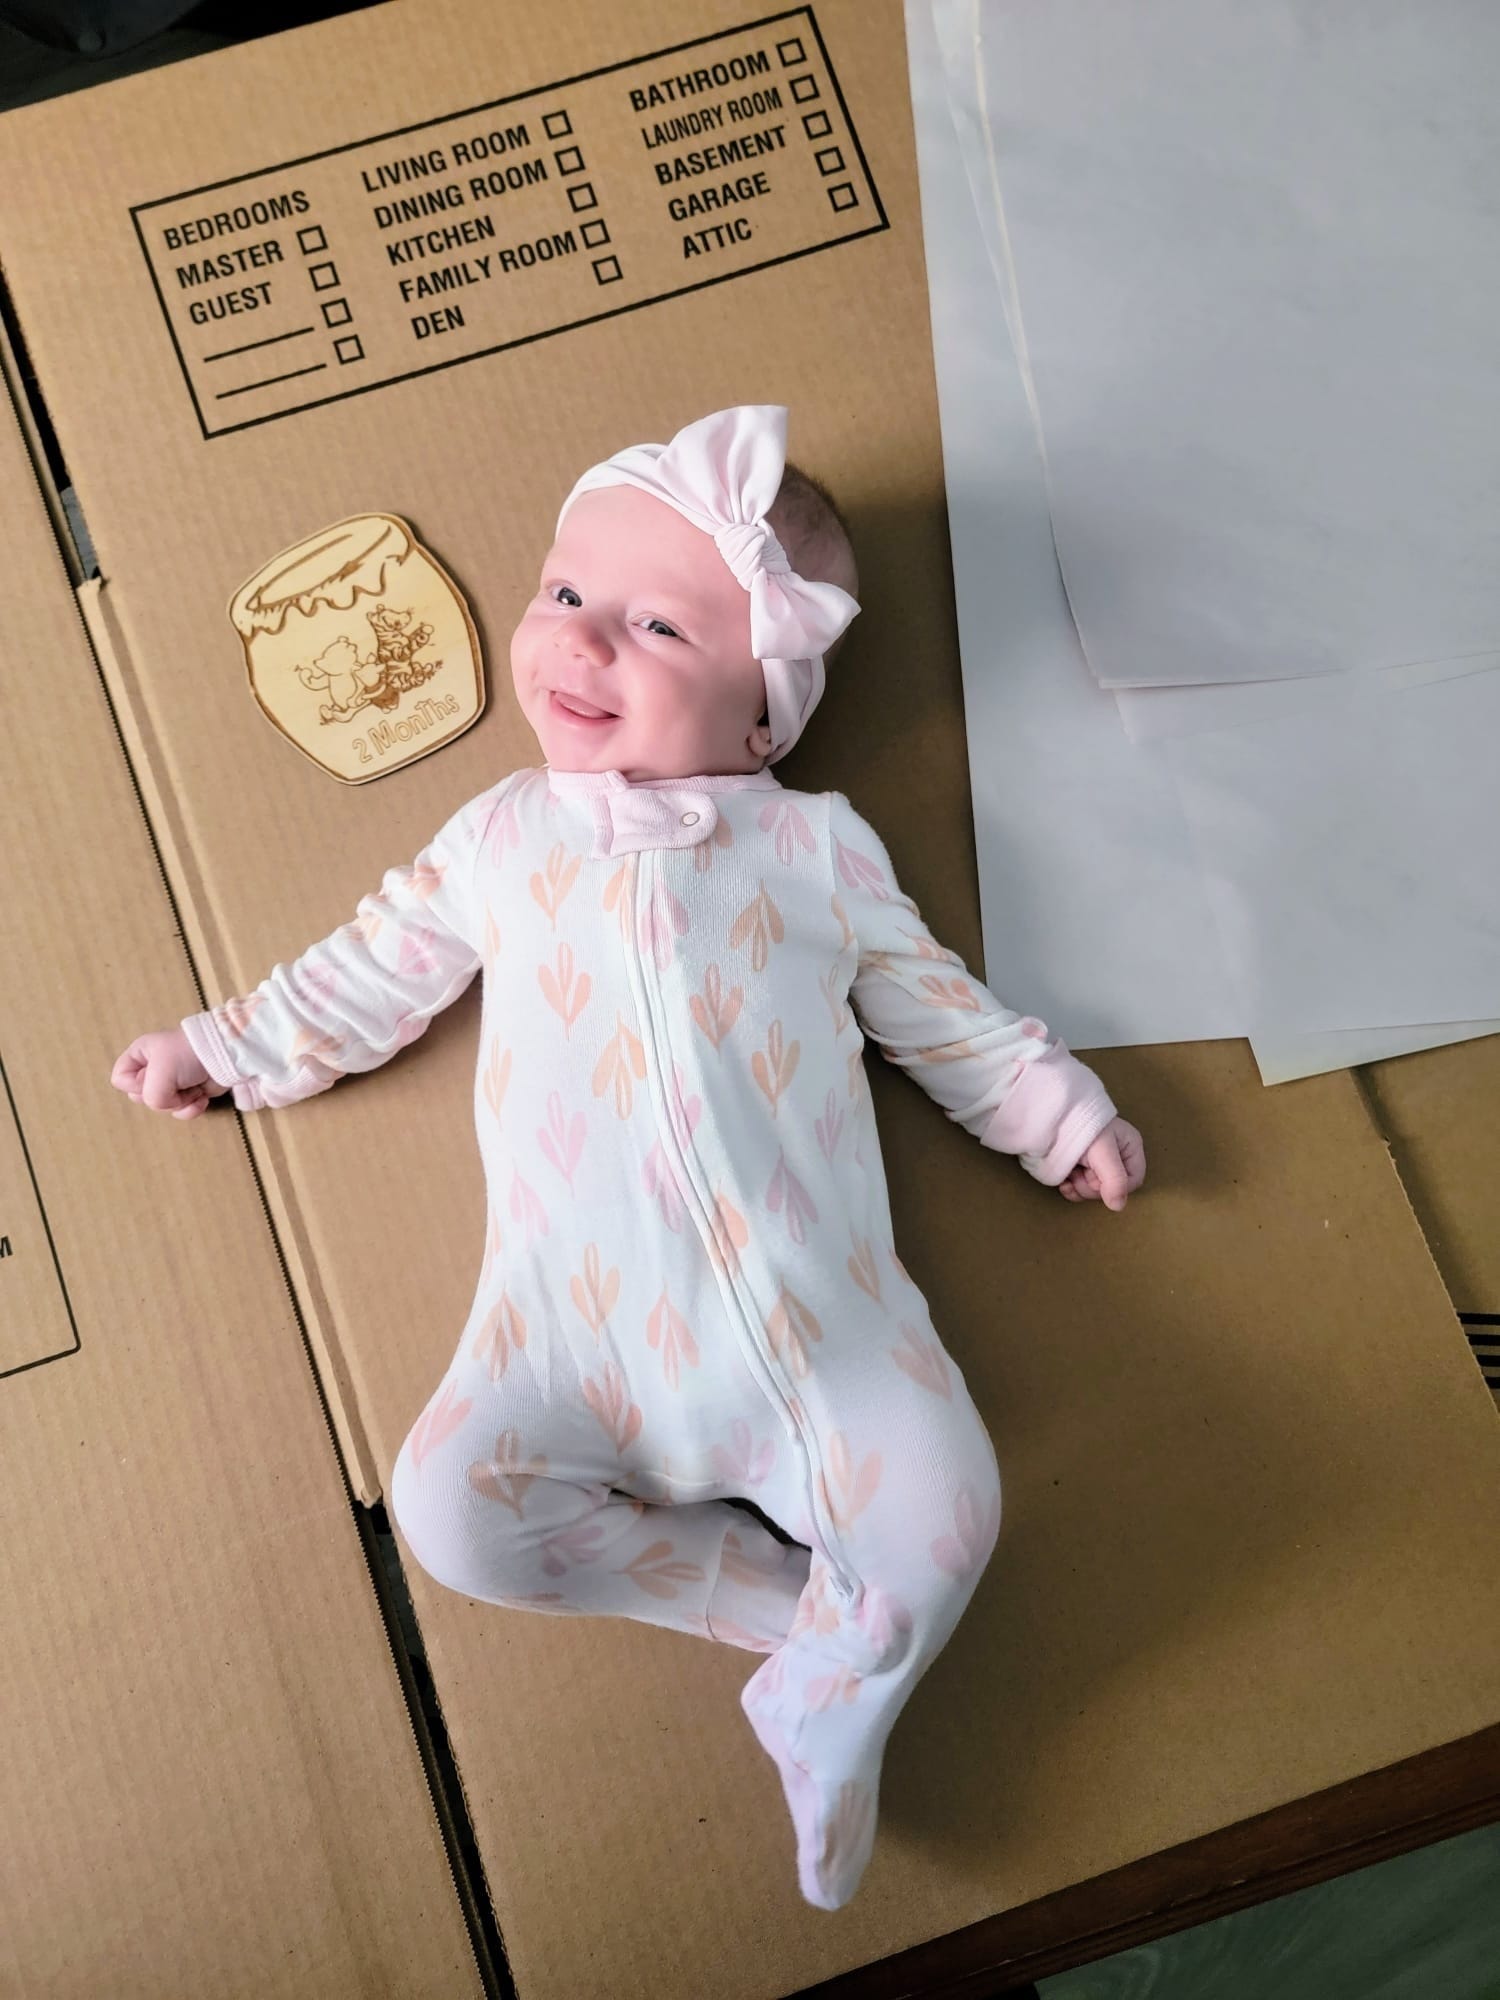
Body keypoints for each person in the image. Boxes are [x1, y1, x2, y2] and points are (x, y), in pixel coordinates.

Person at [111, 404, 1146, 1909]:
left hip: (825, 1340)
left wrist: (1056, 1113)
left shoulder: (816, 853)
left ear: (763, 718)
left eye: (655, 625)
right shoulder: (506, 836)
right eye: (563, 595)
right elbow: (371, 967)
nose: (578, 644)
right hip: (564, 1345)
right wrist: (227, 1045)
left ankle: (836, 1671)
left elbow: (941, 1011)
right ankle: (800, 1628)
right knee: (455, 1512)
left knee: (953, 1505)